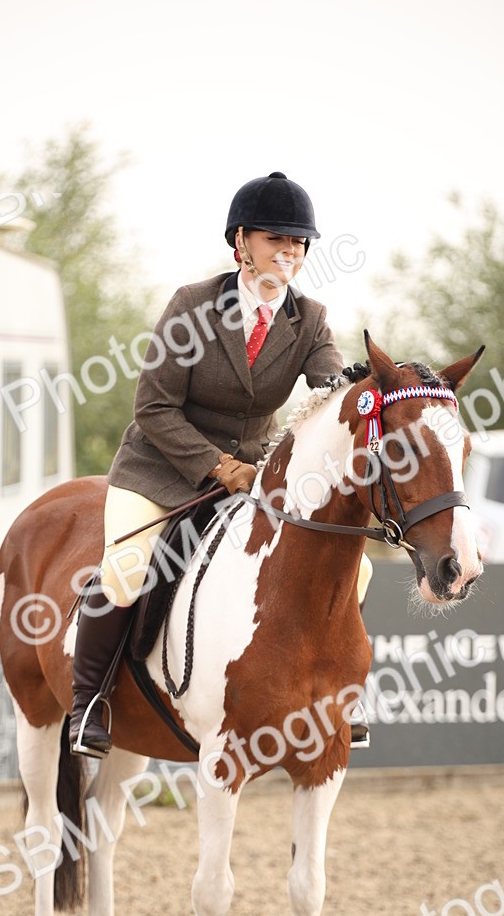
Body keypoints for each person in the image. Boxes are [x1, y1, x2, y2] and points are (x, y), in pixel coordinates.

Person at [69, 171, 371, 757]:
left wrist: (366, 392)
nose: (290, 249)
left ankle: (337, 694)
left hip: (252, 476)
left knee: (356, 571)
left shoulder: (308, 319)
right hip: (161, 467)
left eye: (300, 241)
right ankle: (90, 703)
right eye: (275, 237)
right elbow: (153, 406)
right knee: (130, 567)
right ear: (241, 242)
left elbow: (329, 391)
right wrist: (217, 467)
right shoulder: (193, 306)